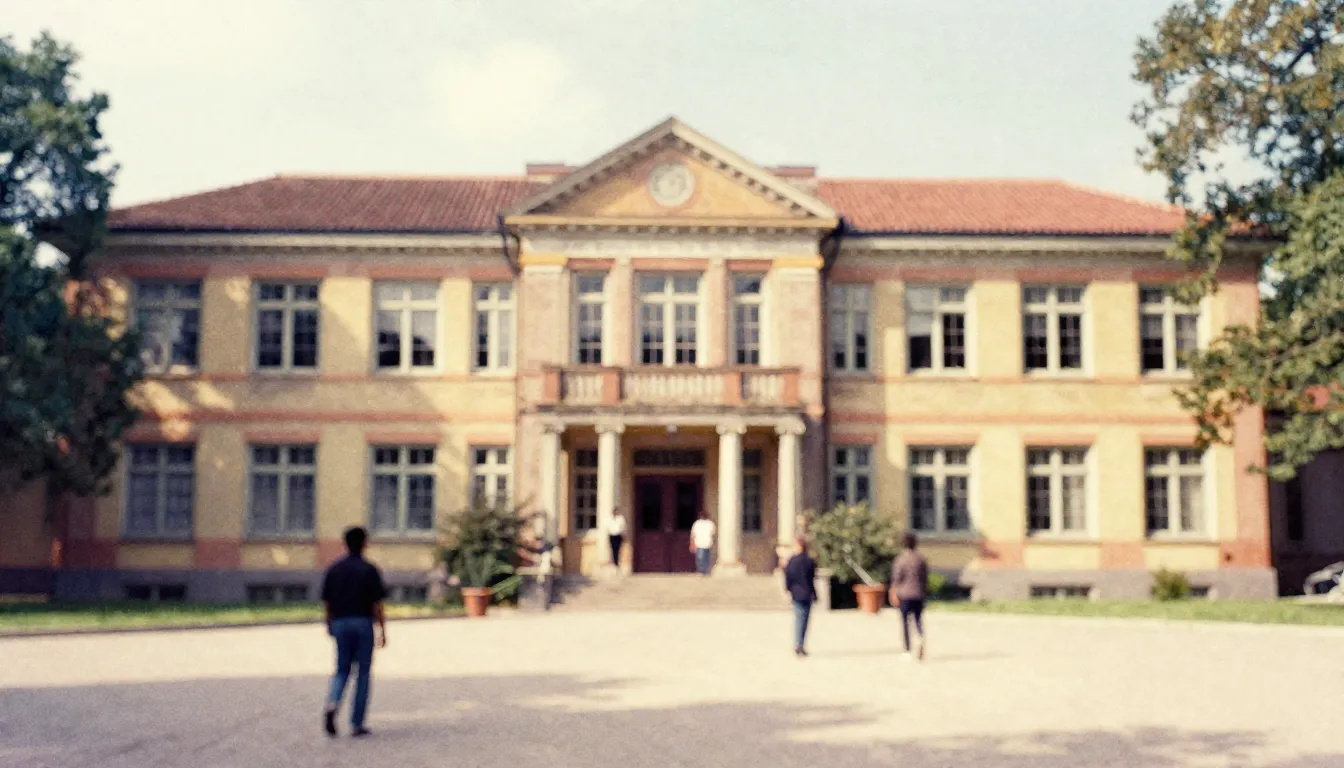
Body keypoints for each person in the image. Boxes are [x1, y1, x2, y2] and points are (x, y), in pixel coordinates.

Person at [321, 526, 388, 738]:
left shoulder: (334, 569)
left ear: (345, 544)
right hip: (363, 623)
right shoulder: (369, 569)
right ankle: (356, 723)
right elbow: (377, 604)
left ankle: (333, 703)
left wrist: (329, 623)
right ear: (364, 543)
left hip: (340, 622)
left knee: (342, 669)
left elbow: (327, 601)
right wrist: (382, 629)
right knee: (363, 673)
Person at [889, 531, 929, 661]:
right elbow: (925, 578)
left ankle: (907, 649)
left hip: (905, 594)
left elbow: (896, 578)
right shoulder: (921, 559)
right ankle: (920, 637)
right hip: (918, 594)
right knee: (918, 619)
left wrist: (893, 592)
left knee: (905, 622)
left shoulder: (901, 559)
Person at [783, 535, 818, 657]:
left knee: (799, 618)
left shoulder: (792, 561)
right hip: (807, 593)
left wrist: (788, 589)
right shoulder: (809, 561)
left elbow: (788, 577)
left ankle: (798, 644)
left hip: (796, 593)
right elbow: (811, 578)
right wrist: (815, 593)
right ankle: (800, 644)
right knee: (804, 620)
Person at [689, 512, 716, 576]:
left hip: (707, 543)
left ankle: (706, 571)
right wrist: (692, 543)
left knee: (706, 558)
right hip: (699, 543)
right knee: (700, 558)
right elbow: (693, 534)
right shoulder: (697, 523)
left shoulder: (710, 523)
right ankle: (701, 571)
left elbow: (713, 533)